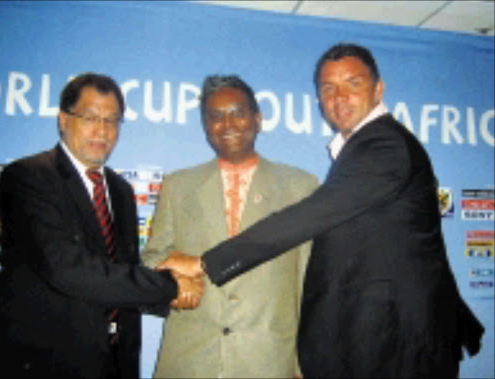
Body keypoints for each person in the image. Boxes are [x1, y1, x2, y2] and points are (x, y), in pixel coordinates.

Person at [157, 44, 485, 378]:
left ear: (378, 89)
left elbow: (304, 219)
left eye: (353, 83)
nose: (339, 97)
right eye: (328, 88)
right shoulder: (361, 150)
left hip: (396, 345)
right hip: (379, 341)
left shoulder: (384, 146)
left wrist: (204, 262)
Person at [0, 73, 202, 379]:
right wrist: (169, 285)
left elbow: (116, 277)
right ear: (63, 120)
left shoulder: (121, 191)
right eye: (90, 117)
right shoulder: (27, 177)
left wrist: (175, 294)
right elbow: (67, 269)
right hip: (37, 363)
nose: (102, 130)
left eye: (112, 120)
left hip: (110, 363)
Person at [142, 75, 319, 378]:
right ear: (206, 127)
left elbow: (311, 280)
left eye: (238, 113)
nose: (228, 124)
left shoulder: (300, 187)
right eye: (216, 116)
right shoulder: (179, 185)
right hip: (190, 360)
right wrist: (172, 278)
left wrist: (303, 363)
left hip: (268, 360)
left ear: (258, 119)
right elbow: (150, 260)